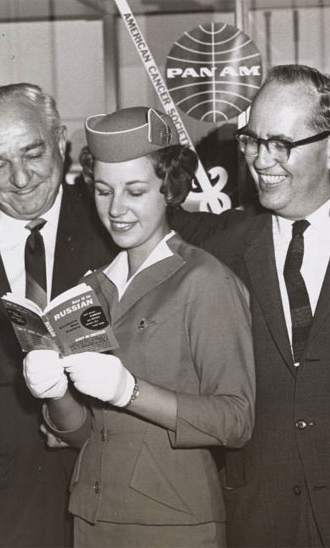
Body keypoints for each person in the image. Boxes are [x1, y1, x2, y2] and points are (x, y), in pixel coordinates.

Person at [173, 64, 330, 547]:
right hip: (255, 518)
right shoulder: (220, 254)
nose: (261, 160)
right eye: (252, 141)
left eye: (282, 144)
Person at [22, 106, 255, 547]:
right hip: (92, 521)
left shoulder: (204, 281)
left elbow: (236, 421)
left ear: (168, 189)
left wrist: (130, 391)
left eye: (134, 191)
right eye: (104, 191)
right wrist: (55, 397)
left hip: (173, 524)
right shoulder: (92, 289)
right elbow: (88, 434)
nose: (116, 209)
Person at [0, 83, 118, 547]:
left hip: (113, 497)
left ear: (61, 141)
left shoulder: (118, 232)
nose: (19, 178)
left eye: (33, 153)